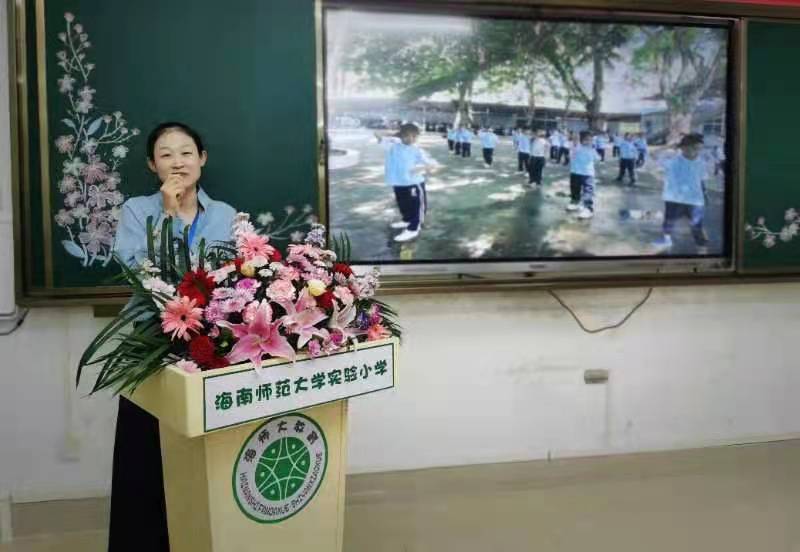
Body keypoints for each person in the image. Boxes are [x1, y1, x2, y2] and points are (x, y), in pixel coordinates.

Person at [109, 122, 237, 552]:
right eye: (166, 154)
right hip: (153, 342)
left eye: (186, 152)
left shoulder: (224, 214)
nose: (177, 162)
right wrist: (166, 212)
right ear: (152, 165)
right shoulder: (135, 210)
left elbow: (234, 279)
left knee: (206, 448)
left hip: (211, 344)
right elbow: (138, 272)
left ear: (202, 158)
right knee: (147, 452)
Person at [375, 123, 439, 242]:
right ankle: (407, 220)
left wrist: (421, 168)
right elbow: (377, 135)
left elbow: (432, 164)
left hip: (414, 183)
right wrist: (391, 133)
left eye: (414, 136)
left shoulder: (417, 150)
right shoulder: (392, 145)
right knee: (403, 204)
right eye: (407, 136)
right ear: (401, 135)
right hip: (398, 183)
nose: (411, 139)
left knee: (416, 206)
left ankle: (414, 228)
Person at [652, 133, 710, 254]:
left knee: (696, 226)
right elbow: (652, 155)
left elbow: (702, 180)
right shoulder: (671, 161)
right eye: (694, 148)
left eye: (699, 148)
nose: (697, 151)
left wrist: (705, 193)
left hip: (695, 200)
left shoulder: (702, 163)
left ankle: (702, 250)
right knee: (669, 221)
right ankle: (667, 240)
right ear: (684, 148)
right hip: (673, 199)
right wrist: (667, 146)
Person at [566, 130, 601, 219]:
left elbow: (598, 158)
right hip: (575, 172)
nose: (589, 142)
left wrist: (595, 155)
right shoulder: (576, 147)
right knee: (575, 189)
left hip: (588, 174)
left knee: (588, 191)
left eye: (590, 140)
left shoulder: (592, 149)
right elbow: (571, 154)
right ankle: (575, 202)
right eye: (587, 140)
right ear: (581, 140)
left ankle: (588, 209)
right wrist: (575, 142)